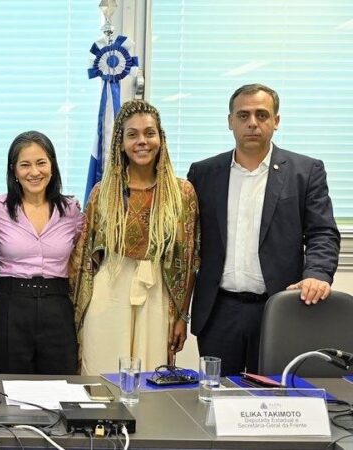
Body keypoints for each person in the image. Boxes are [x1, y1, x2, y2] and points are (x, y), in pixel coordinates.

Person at [187, 83, 340, 376]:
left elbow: (322, 232)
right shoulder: (203, 174)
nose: (252, 123)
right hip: (219, 312)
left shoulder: (304, 172)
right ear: (230, 121)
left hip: (277, 309)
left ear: (276, 121)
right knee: (216, 400)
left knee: (272, 402)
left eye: (261, 115)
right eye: (243, 116)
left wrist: (318, 274)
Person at [70, 100, 199, 375]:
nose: (142, 141)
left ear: (160, 139)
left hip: (157, 294)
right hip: (109, 290)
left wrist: (182, 316)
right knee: (102, 374)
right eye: (133, 134)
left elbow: (187, 261)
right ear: (120, 143)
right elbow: (85, 258)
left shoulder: (182, 193)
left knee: (150, 377)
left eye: (149, 133)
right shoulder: (102, 193)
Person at [0, 131, 82, 375]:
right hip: (12, 307)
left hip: (57, 307)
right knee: (10, 388)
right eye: (25, 165)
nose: (34, 172)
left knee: (61, 387)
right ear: (14, 171)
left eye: (41, 163)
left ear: (52, 166)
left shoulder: (71, 210)